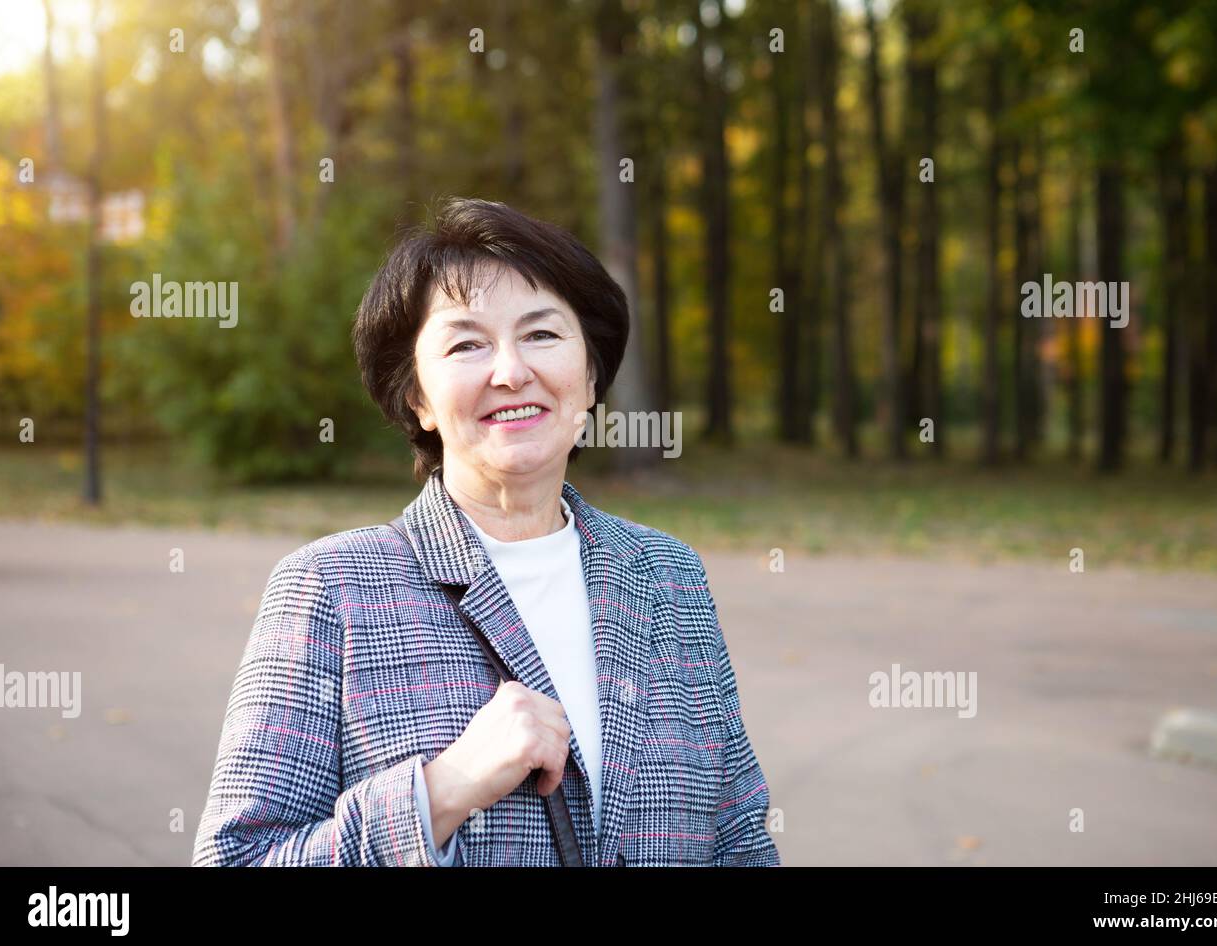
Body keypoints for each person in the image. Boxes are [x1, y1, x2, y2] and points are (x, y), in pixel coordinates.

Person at [191, 197, 780, 866]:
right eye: (468, 343)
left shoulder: (670, 575)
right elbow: (235, 858)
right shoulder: (331, 587)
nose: (510, 372)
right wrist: (443, 791)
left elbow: (740, 839)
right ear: (418, 398)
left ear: (589, 376)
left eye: (542, 335)